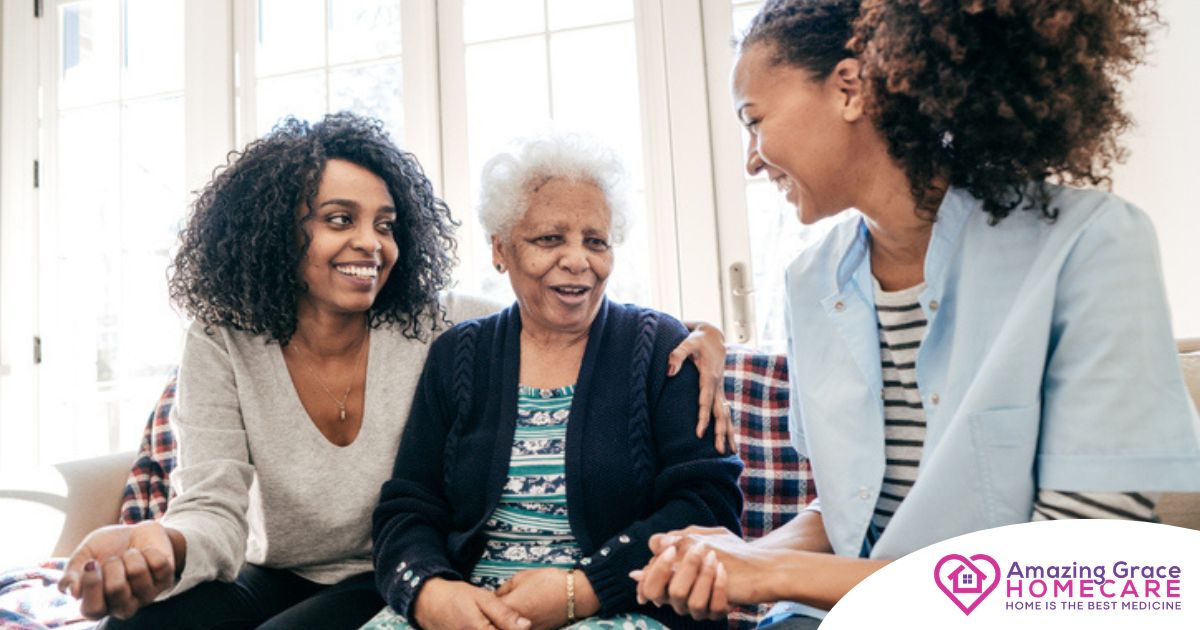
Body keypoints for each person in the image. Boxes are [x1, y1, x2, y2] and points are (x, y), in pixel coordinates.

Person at [633, 0, 1200, 626]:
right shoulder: (809, 280)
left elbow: (1078, 573)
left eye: (754, 120)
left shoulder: (1092, 245)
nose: (751, 158)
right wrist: (735, 556)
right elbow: (851, 511)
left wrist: (771, 571)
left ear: (849, 89)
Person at [55, 113, 730, 629]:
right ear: (277, 232)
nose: (370, 243)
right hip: (282, 567)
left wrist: (704, 335)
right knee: (138, 626)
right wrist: (162, 543)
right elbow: (213, 510)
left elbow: (560, 312)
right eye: (339, 220)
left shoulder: (436, 325)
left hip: (375, 575)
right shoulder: (224, 341)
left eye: (385, 224)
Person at [363, 133, 744, 630]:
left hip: (621, 606)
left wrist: (582, 589)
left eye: (595, 241)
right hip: (474, 609)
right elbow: (408, 507)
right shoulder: (458, 354)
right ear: (500, 249)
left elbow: (709, 506)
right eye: (549, 239)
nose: (578, 260)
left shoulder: (662, 349)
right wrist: (432, 593)